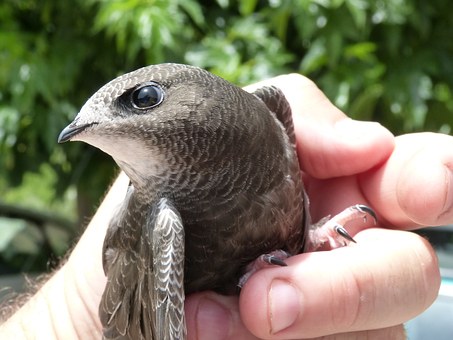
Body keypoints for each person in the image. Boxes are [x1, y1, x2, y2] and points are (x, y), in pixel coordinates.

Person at [0, 73, 447, 339]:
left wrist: (311, 238)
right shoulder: (163, 218)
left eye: (143, 99)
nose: (97, 127)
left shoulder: (270, 107)